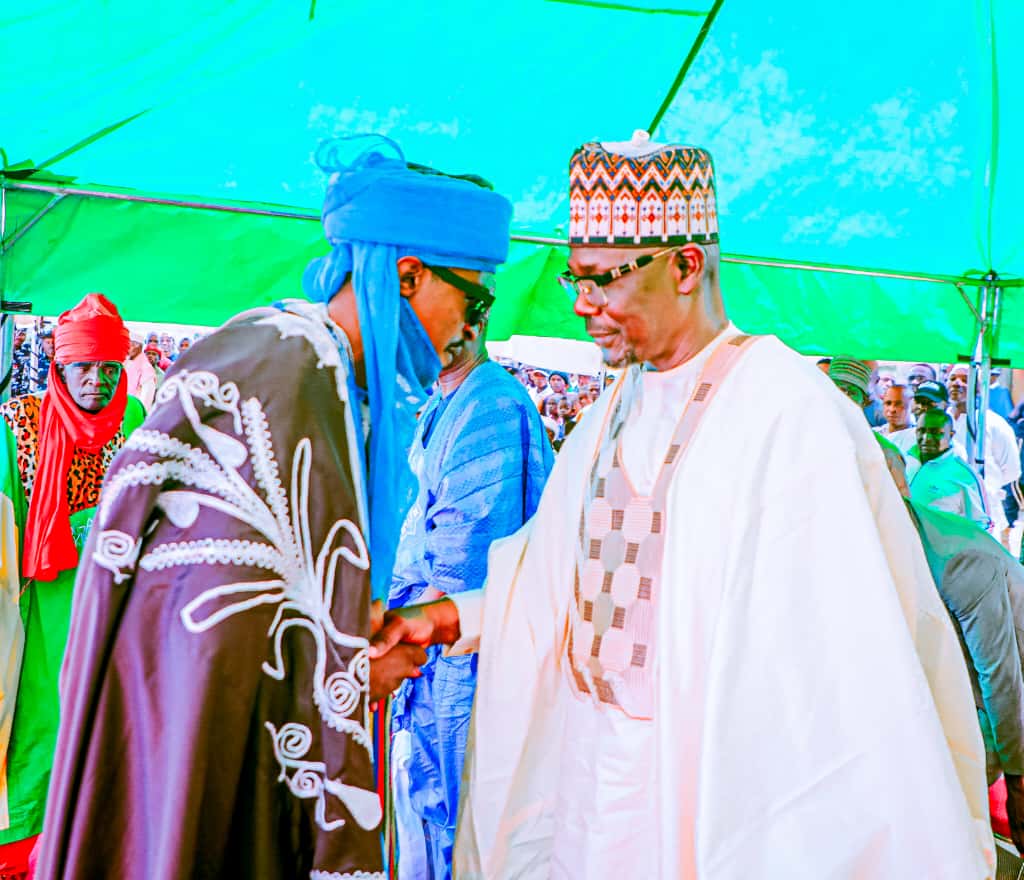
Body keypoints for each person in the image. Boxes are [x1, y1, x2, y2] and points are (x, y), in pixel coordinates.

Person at [372, 133, 993, 878]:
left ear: (686, 266)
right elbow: (548, 585)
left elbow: (833, 676)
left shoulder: (786, 411)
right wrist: (442, 619)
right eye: (575, 280)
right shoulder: (610, 413)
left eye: (602, 282)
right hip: (590, 791)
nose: (582, 306)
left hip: (710, 799)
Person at [35, 137, 513, 880]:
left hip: (227, 745)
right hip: (198, 746)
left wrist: (355, 644)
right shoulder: (288, 375)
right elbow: (213, 627)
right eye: (474, 300)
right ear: (409, 275)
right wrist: (353, 672)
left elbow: (275, 601)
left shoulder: (321, 374)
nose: (474, 328)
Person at [388, 301, 552, 880]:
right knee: (430, 812)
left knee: (463, 818)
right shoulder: (440, 400)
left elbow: (466, 562)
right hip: (428, 650)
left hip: (459, 651)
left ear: (475, 323)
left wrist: (394, 631)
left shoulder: (492, 407)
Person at [0, 294, 145, 877]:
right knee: (39, 725)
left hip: (116, 609)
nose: (96, 381)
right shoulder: (19, 423)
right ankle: (26, 854)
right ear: (59, 367)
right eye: (83, 367)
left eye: (109, 368)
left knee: (106, 727)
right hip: (41, 611)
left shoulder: (136, 419)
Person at [948, 364, 1021, 542]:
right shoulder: (941, 421)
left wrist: (986, 487)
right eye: (953, 378)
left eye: (965, 380)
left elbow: (1012, 470)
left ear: (979, 388)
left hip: (984, 510)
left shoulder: (994, 424)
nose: (957, 383)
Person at [911, 409, 991, 530]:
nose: (926, 438)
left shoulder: (964, 475)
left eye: (935, 432)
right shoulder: (903, 460)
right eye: (921, 431)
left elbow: (982, 525)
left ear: (951, 435)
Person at [123, 334, 160, 410]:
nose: (128, 348)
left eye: (132, 345)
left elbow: (146, 399)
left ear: (140, 347)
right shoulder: (125, 363)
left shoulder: (147, 369)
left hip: (134, 410)